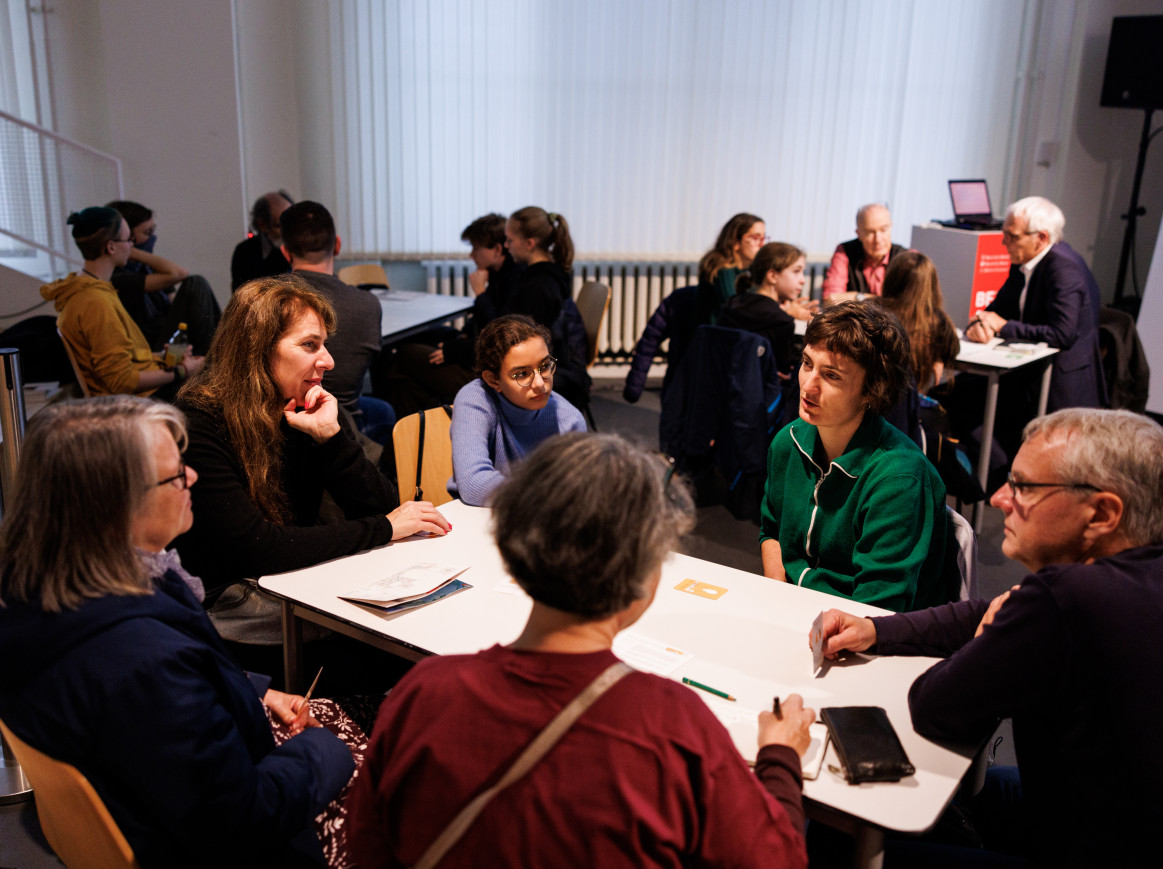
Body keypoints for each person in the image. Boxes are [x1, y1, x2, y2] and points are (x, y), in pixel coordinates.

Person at [348, 433, 813, 868]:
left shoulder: (423, 693)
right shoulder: (673, 725)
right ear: (647, 583)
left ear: (511, 554)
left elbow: (366, 847)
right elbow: (778, 859)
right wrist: (780, 754)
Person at [0, 396, 354, 868]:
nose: (192, 478)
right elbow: (242, 821)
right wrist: (328, 750)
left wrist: (254, 692)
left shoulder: (41, 593)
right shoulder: (144, 664)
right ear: (114, 505)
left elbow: (157, 695)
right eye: (174, 475)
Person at [817, 409, 1163, 866]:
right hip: (1117, 816)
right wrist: (879, 628)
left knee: (840, 841)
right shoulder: (1128, 576)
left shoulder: (1068, 599)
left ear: (1101, 512)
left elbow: (934, 706)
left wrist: (985, 642)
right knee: (966, 799)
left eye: (1023, 487)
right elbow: (990, 611)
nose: (1000, 499)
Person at [172, 276, 449, 617]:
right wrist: (384, 528)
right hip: (229, 604)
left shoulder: (304, 408)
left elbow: (382, 505)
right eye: (310, 345)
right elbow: (257, 547)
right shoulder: (200, 423)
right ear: (257, 350)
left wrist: (331, 438)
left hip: (292, 584)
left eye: (324, 345)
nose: (329, 361)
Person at [760, 301, 947, 612]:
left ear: (871, 390)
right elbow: (771, 532)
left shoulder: (897, 477)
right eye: (807, 364)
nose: (809, 385)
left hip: (866, 631)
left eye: (831, 376)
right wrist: (777, 603)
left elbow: (879, 607)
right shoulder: (788, 442)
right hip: (794, 612)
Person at [963, 196, 1106, 414]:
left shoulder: (1063, 270)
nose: (1004, 242)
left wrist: (1001, 326)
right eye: (1004, 234)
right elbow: (997, 309)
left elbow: (1062, 334)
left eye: (1012, 236)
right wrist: (981, 323)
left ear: (1041, 238)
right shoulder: (1023, 261)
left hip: (1059, 386)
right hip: (1027, 373)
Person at [42, 206, 205, 398]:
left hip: (147, 391)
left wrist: (161, 357)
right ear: (111, 247)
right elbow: (121, 381)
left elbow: (124, 361)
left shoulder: (94, 290)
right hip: (144, 399)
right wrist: (182, 370)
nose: (132, 246)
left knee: (211, 367)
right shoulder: (95, 302)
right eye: (129, 240)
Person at [375, 213, 525, 416]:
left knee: (404, 355)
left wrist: (480, 294)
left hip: (485, 369)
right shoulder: (500, 274)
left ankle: (383, 412)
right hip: (476, 351)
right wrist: (463, 336)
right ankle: (410, 431)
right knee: (410, 374)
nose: (472, 255)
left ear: (497, 249)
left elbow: (499, 334)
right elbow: (482, 322)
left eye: (476, 248)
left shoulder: (515, 279)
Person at [279, 200, 395, 444]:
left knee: (382, 409)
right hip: (344, 424)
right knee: (384, 411)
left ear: (285, 252)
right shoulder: (367, 304)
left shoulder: (271, 304)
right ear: (337, 246)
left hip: (279, 421)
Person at [449, 315, 586, 506]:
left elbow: (579, 490)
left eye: (545, 366)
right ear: (493, 380)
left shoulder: (569, 420)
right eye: (522, 374)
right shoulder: (475, 399)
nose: (540, 384)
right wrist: (549, 494)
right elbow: (474, 484)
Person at [500, 206, 591, 412]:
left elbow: (516, 340)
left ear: (529, 243)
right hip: (556, 365)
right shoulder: (551, 274)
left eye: (510, 240)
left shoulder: (537, 287)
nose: (506, 246)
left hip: (543, 371)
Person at [719, 241, 816, 377]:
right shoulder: (782, 321)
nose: (803, 280)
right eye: (796, 271)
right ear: (772, 276)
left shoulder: (731, 304)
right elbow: (784, 371)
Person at [878, 250, 960, 392]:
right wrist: (938, 355)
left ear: (891, 278)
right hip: (908, 406)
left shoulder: (873, 310)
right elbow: (953, 350)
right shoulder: (936, 320)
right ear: (931, 285)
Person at [821, 203, 906, 299]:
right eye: (870, 232)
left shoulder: (906, 258)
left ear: (891, 227)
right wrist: (882, 301)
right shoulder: (844, 251)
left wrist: (855, 298)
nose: (878, 239)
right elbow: (831, 299)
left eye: (883, 230)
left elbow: (911, 304)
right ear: (859, 234)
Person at [696, 212, 766, 321]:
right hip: (716, 335)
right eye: (756, 238)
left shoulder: (749, 269)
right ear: (736, 241)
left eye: (763, 238)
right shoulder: (722, 269)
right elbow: (735, 309)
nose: (762, 244)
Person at [231, 190, 294, 290]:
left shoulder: (298, 249)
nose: (287, 231)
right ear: (262, 225)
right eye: (279, 226)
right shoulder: (244, 252)